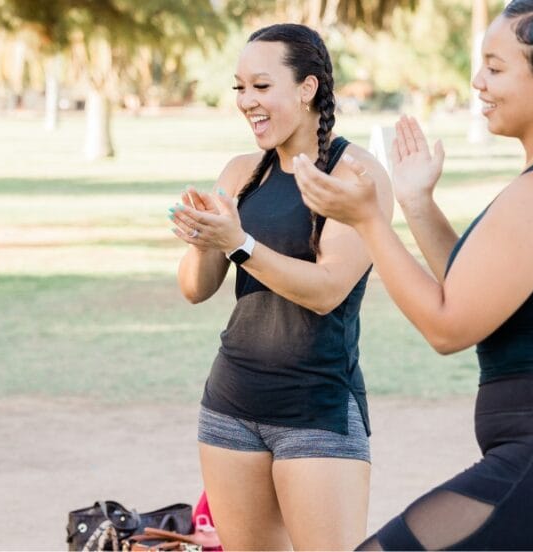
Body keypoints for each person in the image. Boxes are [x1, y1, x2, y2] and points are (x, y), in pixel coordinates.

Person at [293, 0, 533, 548]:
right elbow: (475, 292)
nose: (477, 80)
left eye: (495, 66)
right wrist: (416, 203)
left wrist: (369, 221)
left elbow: (449, 327)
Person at [170, 23, 392, 550]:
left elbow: (327, 289)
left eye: (261, 86)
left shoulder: (356, 174)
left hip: (317, 412)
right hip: (229, 405)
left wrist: (238, 240)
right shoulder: (242, 171)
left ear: (307, 88)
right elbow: (194, 289)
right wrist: (205, 239)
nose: (247, 101)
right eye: (239, 88)